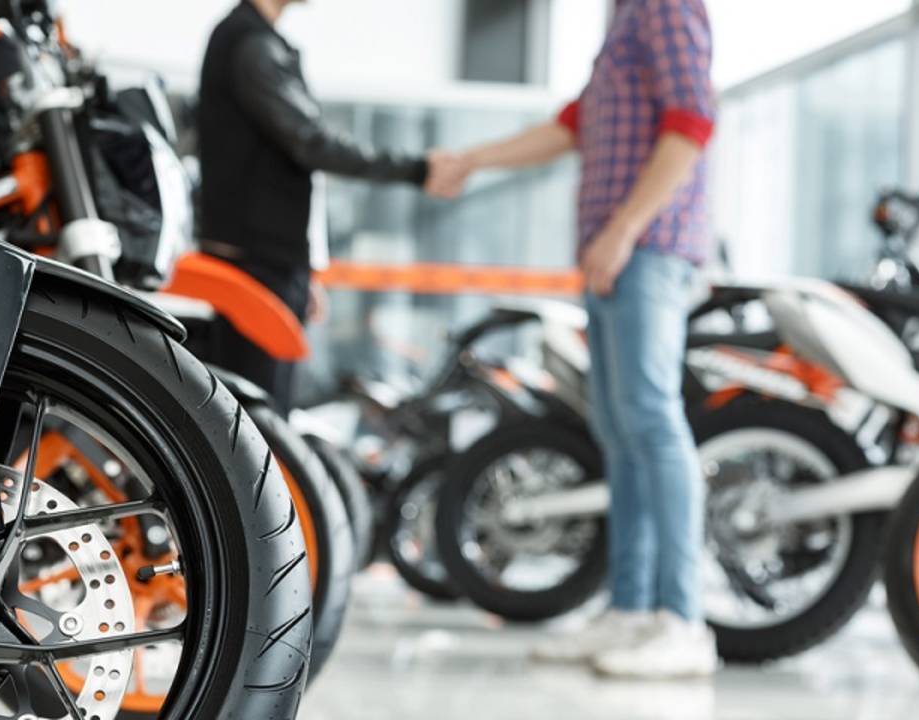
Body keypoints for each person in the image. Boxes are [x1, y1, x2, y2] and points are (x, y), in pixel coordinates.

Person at [429, 0, 718, 679]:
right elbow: (574, 125)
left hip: (645, 250)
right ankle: (632, 610)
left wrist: (623, 229)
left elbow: (692, 122)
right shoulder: (624, 17)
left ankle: (682, 621)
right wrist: (473, 159)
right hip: (611, 256)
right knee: (620, 431)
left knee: (652, 421)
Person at [198, 0, 446, 414]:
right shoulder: (251, 44)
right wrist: (418, 169)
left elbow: (286, 160)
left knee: (260, 413)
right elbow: (311, 144)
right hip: (256, 263)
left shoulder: (257, 41)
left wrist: (304, 266)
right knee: (255, 418)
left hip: (269, 259)